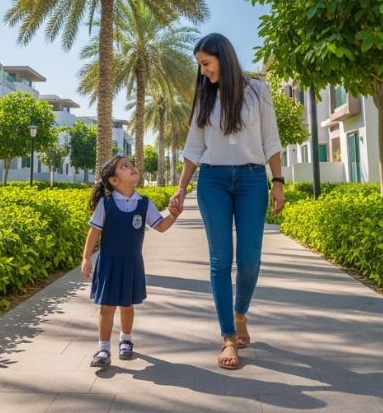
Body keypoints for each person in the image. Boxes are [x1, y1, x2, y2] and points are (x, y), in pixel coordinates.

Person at [169, 33, 285, 370]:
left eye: (206, 63)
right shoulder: (204, 97)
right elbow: (193, 148)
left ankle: (240, 313)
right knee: (221, 260)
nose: (203, 71)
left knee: (249, 260)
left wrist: (277, 181)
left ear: (223, 57)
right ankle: (228, 337)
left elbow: (271, 139)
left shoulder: (257, 91)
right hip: (213, 181)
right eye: (200, 66)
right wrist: (179, 189)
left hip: (251, 180)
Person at [82, 155, 182, 368]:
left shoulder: (144, 203)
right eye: (124, 166)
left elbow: (160, 226)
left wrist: (173, 215)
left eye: (131, 164)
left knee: (127, 305)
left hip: (132, 263)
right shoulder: (105, 204)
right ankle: (103, 348)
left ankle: (125, 340)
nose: (132, 167)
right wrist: (85, 258)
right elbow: (94, 233)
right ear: (114, 180)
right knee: (107, 307)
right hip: (108, 263)